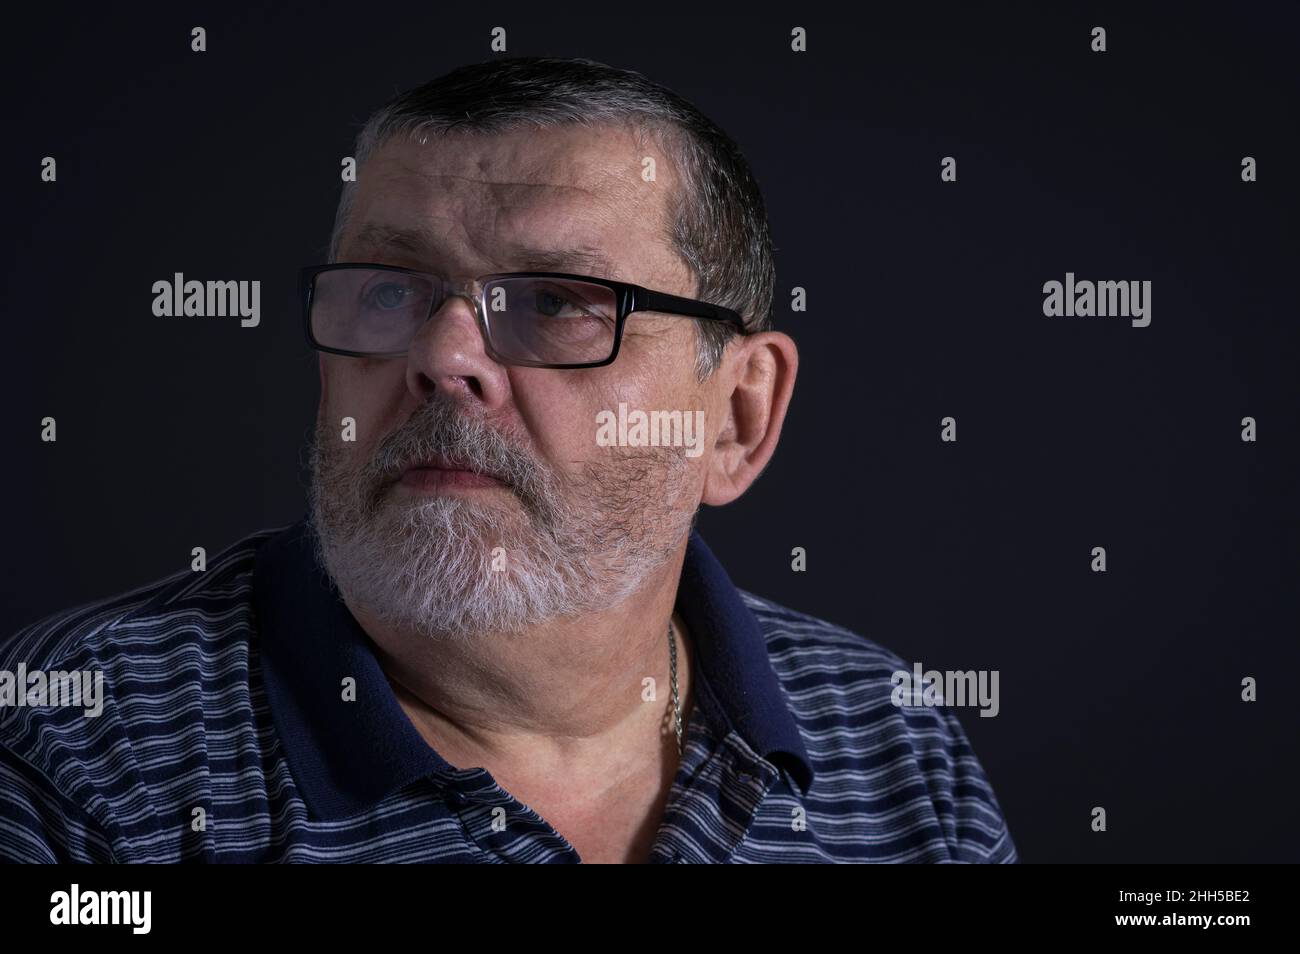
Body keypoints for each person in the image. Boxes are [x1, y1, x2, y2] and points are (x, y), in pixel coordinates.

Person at [0, 56, 1015, 863]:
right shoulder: (79, 745)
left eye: (559, 303)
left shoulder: (893, 740)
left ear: (736, 417)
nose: (442, 358)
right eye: (389, 291)